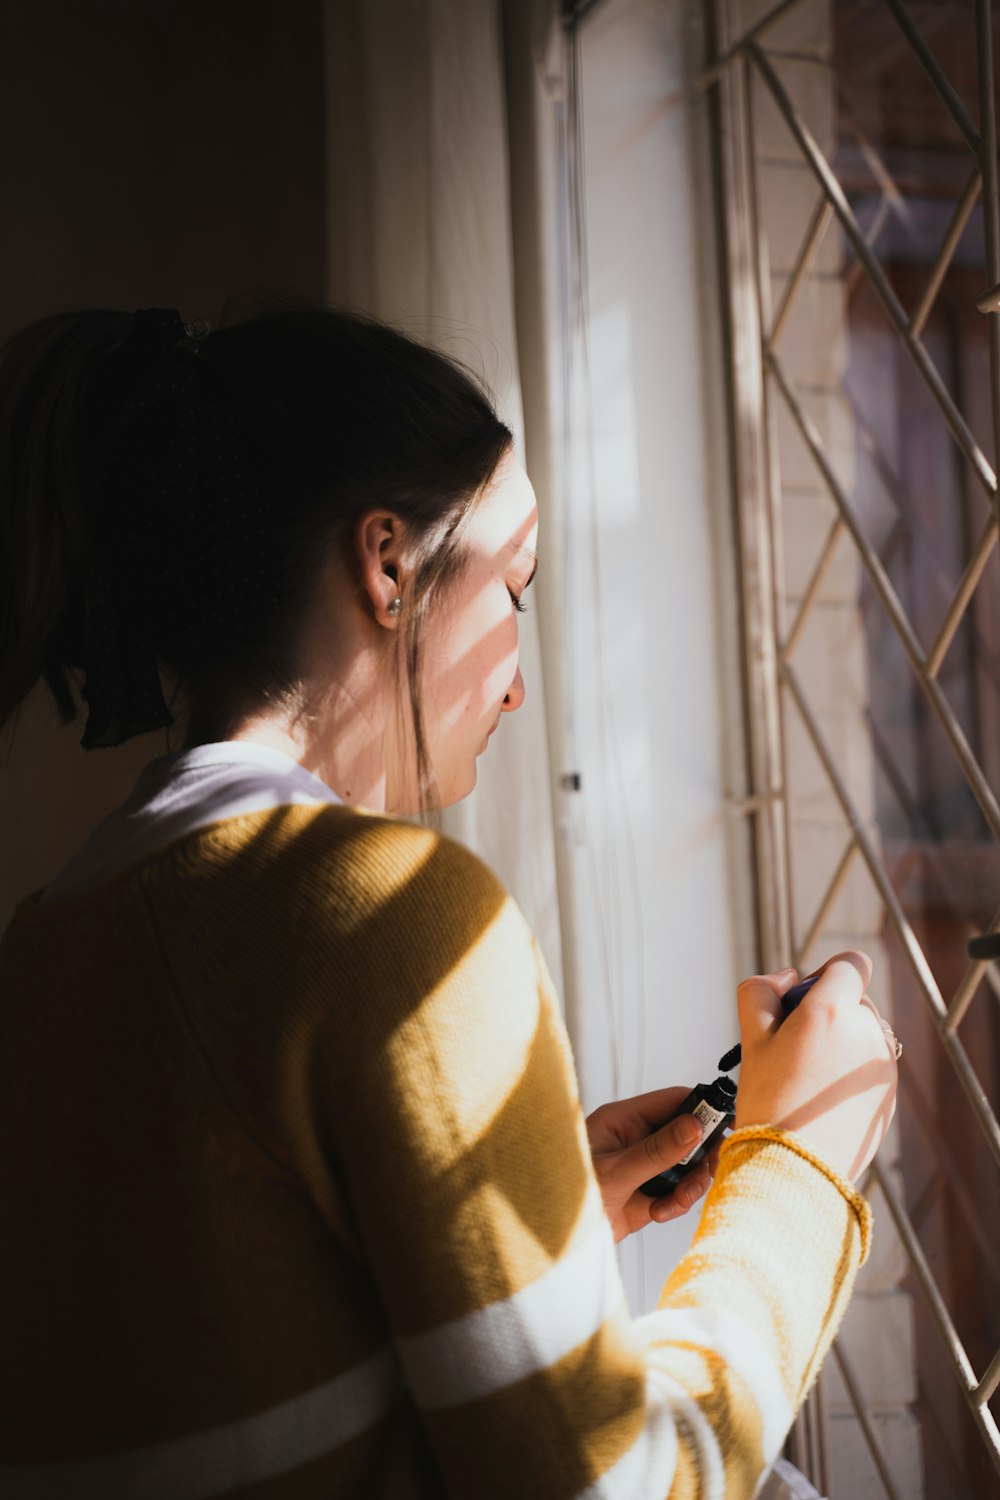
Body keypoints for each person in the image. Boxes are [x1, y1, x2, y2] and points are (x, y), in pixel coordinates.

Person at [0, 302, 898, 1499]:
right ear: (388, 563)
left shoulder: (44, 944)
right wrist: (800, 1167)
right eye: (515, 586)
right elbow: (618, 1490)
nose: (518, 688)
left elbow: (215, 1367)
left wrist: (515, 1227)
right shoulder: (386, 919)